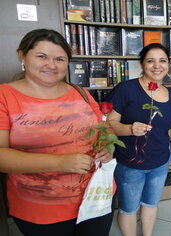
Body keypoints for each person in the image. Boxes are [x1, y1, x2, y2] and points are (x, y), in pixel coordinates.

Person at [0, 29, 114, 236]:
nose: (51, 65)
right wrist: (60, 163)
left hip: (96, 197)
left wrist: (107, 147)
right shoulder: (5, 96)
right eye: (42, 56)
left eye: (59, 59)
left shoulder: (81, 93)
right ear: (22, 55)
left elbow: (103, 127)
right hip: (41, 209)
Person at [107, 43, 171, 236]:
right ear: (141, 63)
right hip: (130, 163)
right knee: (129, 209)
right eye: (150, 61)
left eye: (162, 60)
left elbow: (168, 128)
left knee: (151, 204)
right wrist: (129, 129)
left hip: (161, 161)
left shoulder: (170, 95)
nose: (157, 66)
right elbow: (108, 123)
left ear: (169, 64)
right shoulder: (126, 89)